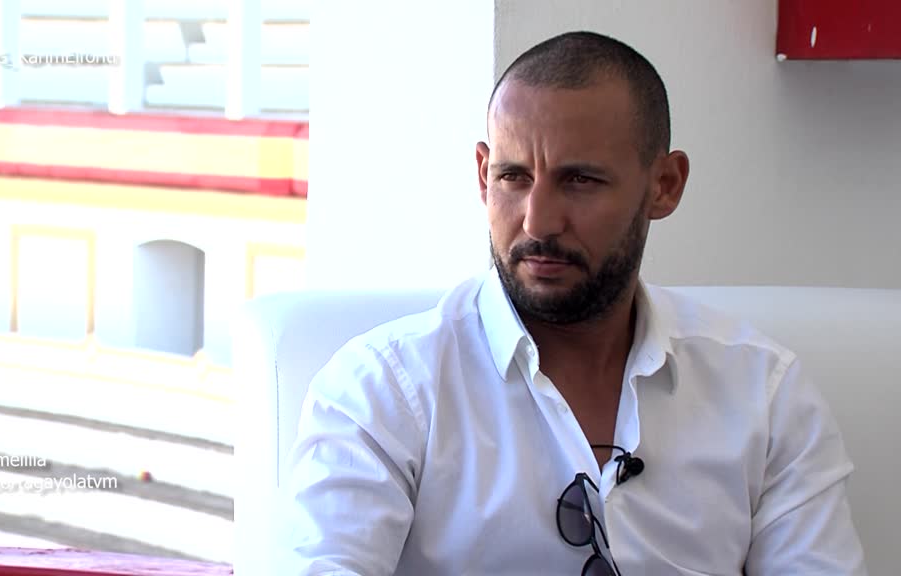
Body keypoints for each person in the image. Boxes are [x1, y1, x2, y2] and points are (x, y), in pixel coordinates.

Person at [276, 31, 866, 575]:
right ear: (482, 175)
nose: (538, 221)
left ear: (664, 185)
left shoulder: (763, 392)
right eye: (513, 177)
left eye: (580, 180)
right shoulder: (383, 392)